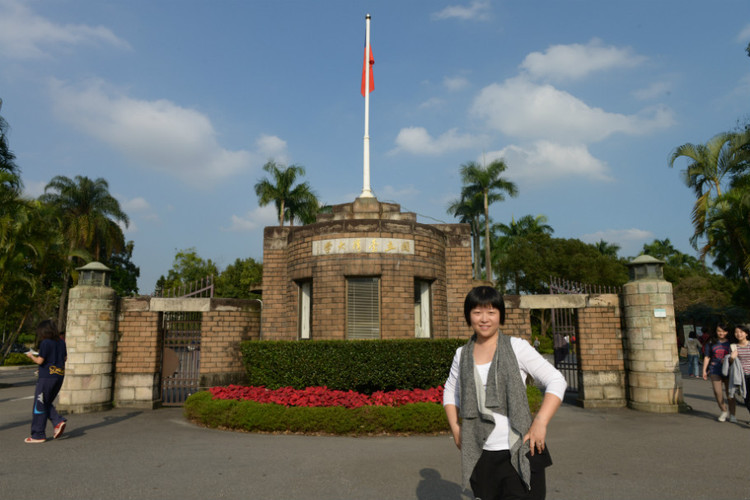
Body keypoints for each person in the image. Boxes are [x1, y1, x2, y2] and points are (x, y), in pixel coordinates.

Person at [443, 286, 567, 500]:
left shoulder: (516, 347)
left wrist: (540, 421)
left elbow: (556, 380)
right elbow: (450, 391)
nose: (484, 319)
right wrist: (455, 427)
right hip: (481, 455)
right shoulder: (462, 354)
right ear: (468, 316)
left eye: (491, 312)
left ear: (500, 315)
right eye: (477, 312)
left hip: (520, 451)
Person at [24, 320, 67, 443]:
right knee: (46, 402)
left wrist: (31, 355)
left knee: (39, 404)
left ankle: (38, 434)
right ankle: (57, 422)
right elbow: (65, 358)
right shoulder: (61, 343)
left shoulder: (45, 343)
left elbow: (40, 361)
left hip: (46, 378)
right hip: (59, 376)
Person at [701, 323, 736, 423]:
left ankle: (733, 414)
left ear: (727, 332)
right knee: (717, 392)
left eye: (724, 331)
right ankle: (724, 410)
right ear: (716, 331)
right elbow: (707, 357)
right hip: (714, 370)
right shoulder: (711, 343)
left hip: (729, 371)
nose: (721, 333)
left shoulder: (731, 343)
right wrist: (704, 370)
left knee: (730, 394)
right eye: (719, 331)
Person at [729, 324, 750, 422]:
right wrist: (732, 358)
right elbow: (730, 363)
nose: (739, 334)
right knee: (746, 399)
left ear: (746, 333)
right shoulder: (734, 347)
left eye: (741, 332)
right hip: (742, 376)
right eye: (736, 332)